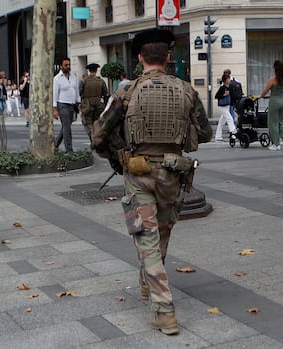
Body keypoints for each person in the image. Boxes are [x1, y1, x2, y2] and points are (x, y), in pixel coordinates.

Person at [91, 28, 212, 335]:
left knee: (146, 238)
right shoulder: (187, 90)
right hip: (173, 174)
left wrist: (116, 157)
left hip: (138, 173)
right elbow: (206, 133)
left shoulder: (126, 92)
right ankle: (147, 282)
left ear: (140, 58)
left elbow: (99, 135)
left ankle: (164, 308)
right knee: (161, 236)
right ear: (168, 58)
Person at [258, 60, 283, 151]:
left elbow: (265, 91)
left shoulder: (272, 79)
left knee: (272, 123)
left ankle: (276, 144)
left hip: (274, 102)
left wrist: (260, 96)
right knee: (280, 122)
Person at [53, 57, 80, 152]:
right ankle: (69, 149)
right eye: (66, 65)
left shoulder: (73, 77)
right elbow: (55, 94)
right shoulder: (57, 79)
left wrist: (78, 102)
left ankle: (55, 144)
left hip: (72, 105)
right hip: (62, 105)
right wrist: (54, 109)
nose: (68, 67)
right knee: (67, 127)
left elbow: (76, 90)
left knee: (66, 126)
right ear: (61, 66)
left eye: (69, 65)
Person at [79, 63, 109, 141]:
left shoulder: (84, 81)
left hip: (87, 105)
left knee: (88, 123)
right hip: (99, 105)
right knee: (97, 124)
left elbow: (79, 92)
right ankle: (97, 138)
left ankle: (92, 138)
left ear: (89, 70)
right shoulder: (101, 81)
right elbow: (105, 93)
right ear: (96, 70)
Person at [213, 72, 237, 142]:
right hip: (222, 106)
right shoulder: (222, 88)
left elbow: (232, 96)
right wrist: (224, 95)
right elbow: (216, 96)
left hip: (228, 106)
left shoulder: (230, 87)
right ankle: (234, 132)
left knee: (221, 122)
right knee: (229, 119)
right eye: (228, 78)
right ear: (225, 80)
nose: (229, 79)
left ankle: (218, 137)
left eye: (229, 78)